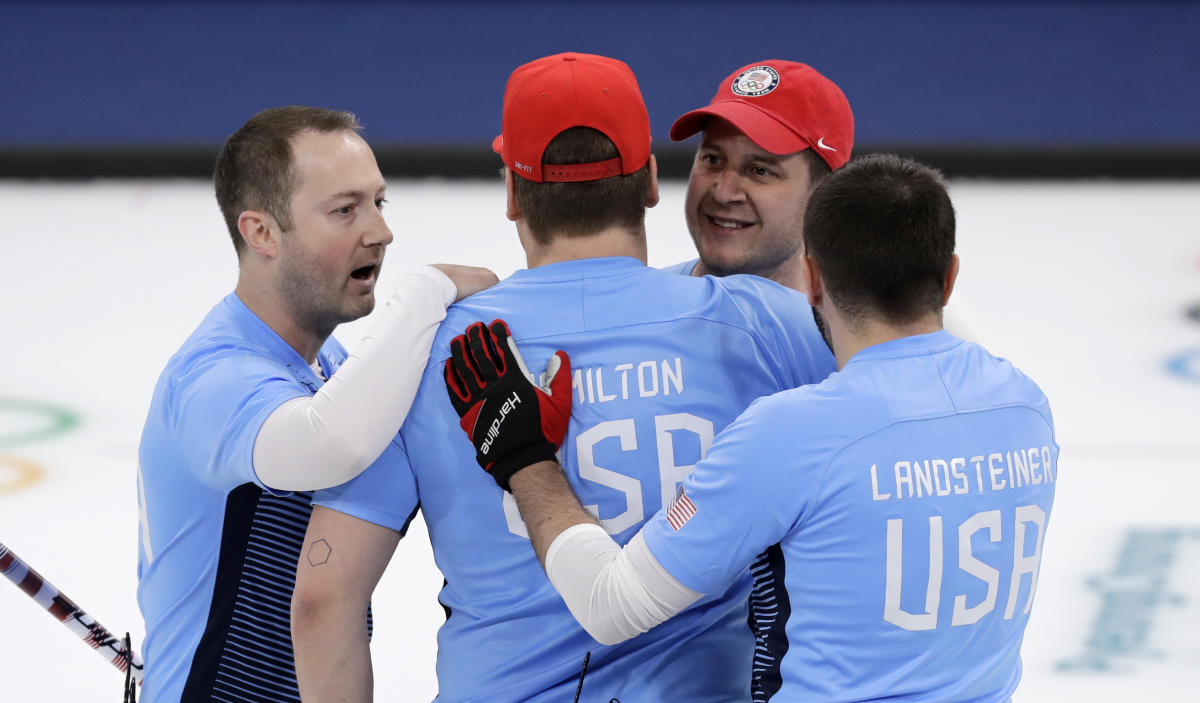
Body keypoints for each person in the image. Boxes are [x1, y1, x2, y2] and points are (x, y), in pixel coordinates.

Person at [290, 53, 835, 702]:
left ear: (515, 194)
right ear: (652, 182)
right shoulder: (770, 326)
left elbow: (322, 599)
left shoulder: (433, 351)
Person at [452, 153, 1058, 702]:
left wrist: (524, 457)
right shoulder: (1027, 408)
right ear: (948, 278)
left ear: (814, 278)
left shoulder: (795, 434)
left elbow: (610, 606)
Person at [135, 106, 495, 702]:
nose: (380, 232)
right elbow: (328, 445)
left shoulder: (325, 365)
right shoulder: (212, 378)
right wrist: (425, 294)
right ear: (262, 233)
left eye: (380, 203)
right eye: (345, 210)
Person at [667, 59, 982, 341]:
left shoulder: (907, 329)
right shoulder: (640, 310)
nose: (723, 192)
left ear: (826, 191)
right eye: (712, 159)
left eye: (760, 170)